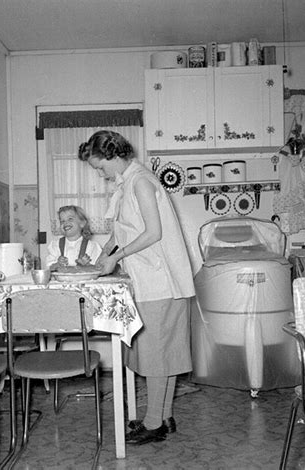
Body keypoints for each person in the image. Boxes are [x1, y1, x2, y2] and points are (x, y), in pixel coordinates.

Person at [78, 130, 195, 445]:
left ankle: (155, 422)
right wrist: (101, 259)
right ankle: (164, 416)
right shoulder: (126, 183)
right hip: (152, 279)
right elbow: (122, 230)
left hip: (162, 280)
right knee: (164, 353)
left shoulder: (141, 181)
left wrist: (117, 258)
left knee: (158, 355)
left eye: (101, 167)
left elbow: (152, 232)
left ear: (114, 157)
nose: (101, 175)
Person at [45, 205, 102, 270]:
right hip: (62, 280)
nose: (66, 223)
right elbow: (48, 268)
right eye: (62, 221)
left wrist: (86, 265)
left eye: (70, 219)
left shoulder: (92, 246)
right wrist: (57, 264)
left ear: (82, 223)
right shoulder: (55, 246)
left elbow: (99, 269)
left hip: (83, 280)